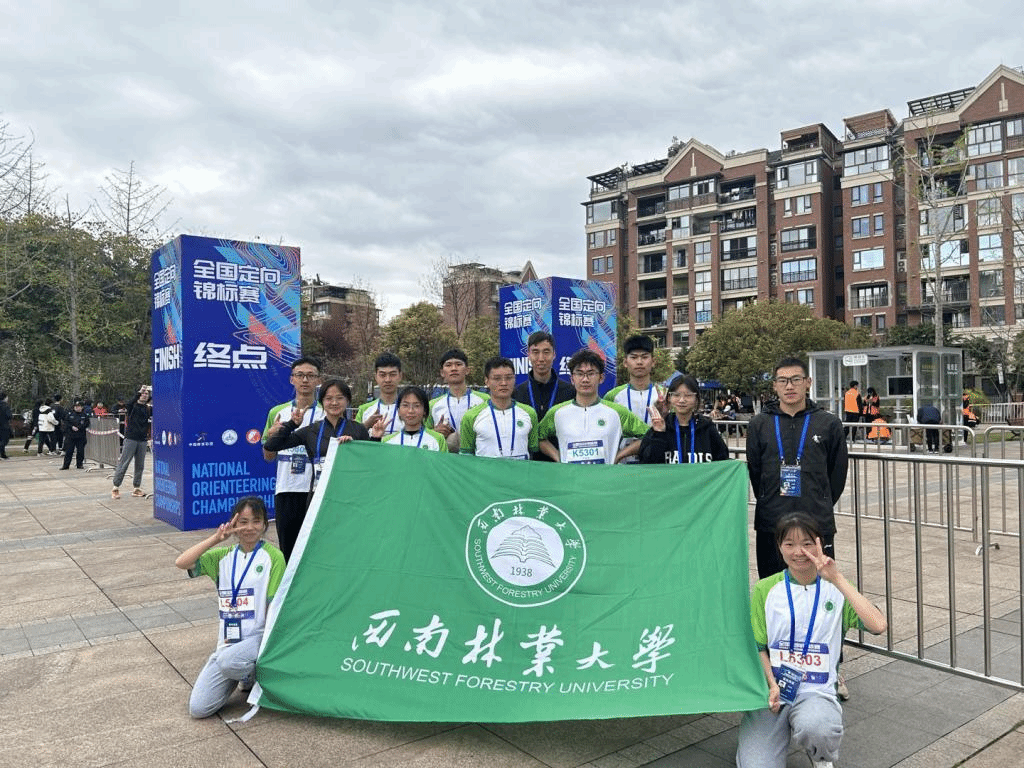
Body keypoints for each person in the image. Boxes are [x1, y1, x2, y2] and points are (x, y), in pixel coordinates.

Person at [736, 513, 886, 768]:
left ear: (820, 544)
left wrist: (837, 578)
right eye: (789, 544)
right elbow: (758, 646)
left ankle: (821, 756)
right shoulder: (765, 589)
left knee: (818, 727)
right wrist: (771, 683)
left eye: (807, 543)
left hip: (816, 690)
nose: (799, 552)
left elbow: (878, 625)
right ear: (779, 547)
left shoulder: (836, 589)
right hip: (774, 691)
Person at [174, 496, 285, 719]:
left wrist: (268, 646)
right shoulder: (223, 557)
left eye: (256, 521)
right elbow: (182, 562)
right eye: (243, 522)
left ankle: (253, 673)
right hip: (227, 644)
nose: (250, 527)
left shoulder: (274, 557)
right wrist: (216, 538)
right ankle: (243, 674)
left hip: (258, 639)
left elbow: (274, 606)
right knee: (199, 709)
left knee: (229, 662)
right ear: (233, 524)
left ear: (265, 524)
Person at [746, 358, 848, 580]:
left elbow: (837, 474)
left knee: (819, 585)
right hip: (772, 520)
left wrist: (819, 500)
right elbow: (756, 472)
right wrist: (769, 497)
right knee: (773, 585)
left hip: (816, 519)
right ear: (774, 385)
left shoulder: (828, 424)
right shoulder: (759, 424)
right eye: (783, 381)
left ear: (808, 382)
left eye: (796, 379)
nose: (789, 386)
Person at [263, 378, 371, 556]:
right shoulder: (312, 430)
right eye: (329, 398)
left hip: (349, 499)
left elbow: (370, 462)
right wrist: (291, 424)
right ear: (322, 402)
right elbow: (271, 446)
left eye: (339, 398)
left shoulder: (358, 430)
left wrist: (353, 449)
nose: (334, 403)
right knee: (319, 547)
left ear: (347, 401)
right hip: (318, 499)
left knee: (347, 546)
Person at [537, 348, 649, 464]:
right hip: (570, 475)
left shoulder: (617, 412)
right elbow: (538, 437)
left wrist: (620, 455)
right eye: (580, 374)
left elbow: (649, 436)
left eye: (591, 374)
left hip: (605, 475)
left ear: (601, 378)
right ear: (572, 379)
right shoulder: (557, 412)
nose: (585, 379)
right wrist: (558, 457)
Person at [262, 357, 323, 560]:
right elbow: (268, 456)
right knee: (288, 549)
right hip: (286, 489)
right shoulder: (277, 412)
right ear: (292, 379)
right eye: (300, 375)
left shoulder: (326, 413)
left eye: (310, 375)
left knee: (316, 550)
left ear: (318, 380)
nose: (305, 380)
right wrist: (272, 436)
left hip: (316, 491)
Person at [638, 375, 729, 464]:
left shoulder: (707, 428)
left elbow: (723, 462)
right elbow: (646, 463)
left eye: (688, 395)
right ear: (669, 398)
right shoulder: (661, 426)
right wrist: (659, 434)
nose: (682, 400)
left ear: (696, 399)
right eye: (676, 395)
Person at [513, 331, 575, 460]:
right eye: (535, 352)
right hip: (526, 465)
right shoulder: (517, 393)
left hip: (561, 463)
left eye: (546, 352)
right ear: (528, 354)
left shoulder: (570, 392)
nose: (541, 358)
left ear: (554, 354)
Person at [460, 357, 538, 459]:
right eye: (497, 379)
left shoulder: (529, 413)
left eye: (509, 378)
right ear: (487, 381)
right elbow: (466, 456)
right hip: (485, 470)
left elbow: (533, 451)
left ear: (514, 379)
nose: (504, 383)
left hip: (521, 469)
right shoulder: (471, 416)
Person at [603, 335, 663, 463]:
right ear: (625, 362)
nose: (639, 362)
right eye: (634, 357)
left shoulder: (664, 395)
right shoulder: (612, 396)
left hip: (657, 462)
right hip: (621, 464)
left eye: (644, 357)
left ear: (653, 362)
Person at [427, 348, 489, 453]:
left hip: (477, 456)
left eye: (458, 364)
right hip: (446, 458)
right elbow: (423, 436)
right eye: (448, 365)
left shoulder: (484, 400)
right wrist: (435, 432)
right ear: (442, 372)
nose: (454, 368)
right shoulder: (432, 405)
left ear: (467, 370)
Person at [374, 385, 447, 451]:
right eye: (405, 405)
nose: (410, 411)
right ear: (398, 410)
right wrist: (376, 439)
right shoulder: (387, 441)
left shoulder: (438, 439)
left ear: (425, 410)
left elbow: (443, 461)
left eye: (416, 406)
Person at [111, 386, 153, 499]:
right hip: (131, 438)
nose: (144, 395)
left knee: (140, 465)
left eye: (146, 393)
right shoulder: (132, 406)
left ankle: (136, 488)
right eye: (143, 393)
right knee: (124, 463)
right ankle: (115, 487)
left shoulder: (148, 408)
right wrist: (139, 391)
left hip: (142, 440)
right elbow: (129, 403)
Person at [357, 352, 404, 436]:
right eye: (383, 375)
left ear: (400, 376)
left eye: (392, 375)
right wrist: (366, 425)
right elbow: (353, 437)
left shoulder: (411, 410)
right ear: (376, 377)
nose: (387, 380)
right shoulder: (364, 410)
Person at [59, 400, 90, 470]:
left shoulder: (84, 415)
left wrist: (79, 427)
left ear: (81, 407)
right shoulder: (70, 415)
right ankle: (66, 465)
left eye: (78, 406)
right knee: (69, 451)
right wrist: (71, 427)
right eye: (76, 407)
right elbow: (66, 423)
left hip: (80, 435)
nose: (77, 408)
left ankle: (79, 464)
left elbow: (86, 424)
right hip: (71, 436)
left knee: (80, 451)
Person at [0, 391, 11, 460]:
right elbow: (9, 416)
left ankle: (3, 454)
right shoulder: (5, 406)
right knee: (4, 440)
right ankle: (2, 454)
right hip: (4, 425)